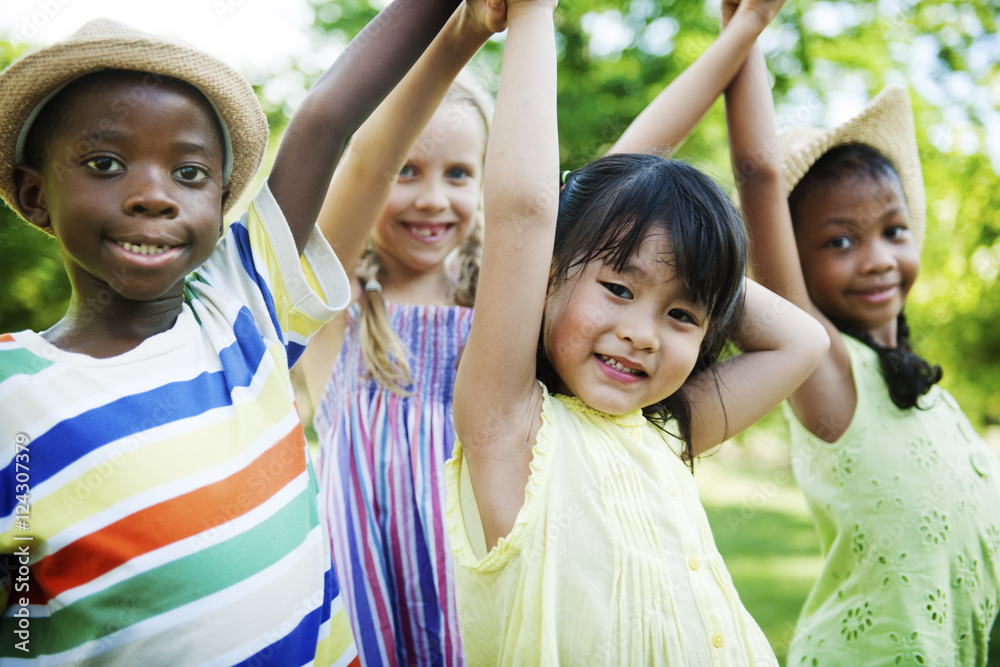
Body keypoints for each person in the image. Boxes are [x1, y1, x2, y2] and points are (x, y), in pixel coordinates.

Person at [0, 2, 464, 663]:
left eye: (189, 173)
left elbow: (327, 121)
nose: (154, 194)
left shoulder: (242, 305)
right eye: (105, 163)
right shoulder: (12, 395)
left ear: (220, 205)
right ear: (34, 191)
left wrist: (463, 25)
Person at [444, 0, 829, 663]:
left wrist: (698, 267)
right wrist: (535, 12)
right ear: (547, 273)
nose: (643, 333)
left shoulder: (666, 430)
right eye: (618, 290)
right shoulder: (508, 428)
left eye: (680, 315)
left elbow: (804, 339)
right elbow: (526, 211)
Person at [724, 17, 1000, 664]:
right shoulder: (825, 367)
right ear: (792, 259)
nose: (876, 258)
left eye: (892, 230)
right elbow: (759, 173)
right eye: (840, 240)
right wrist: (745, 24)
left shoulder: (930, 394)